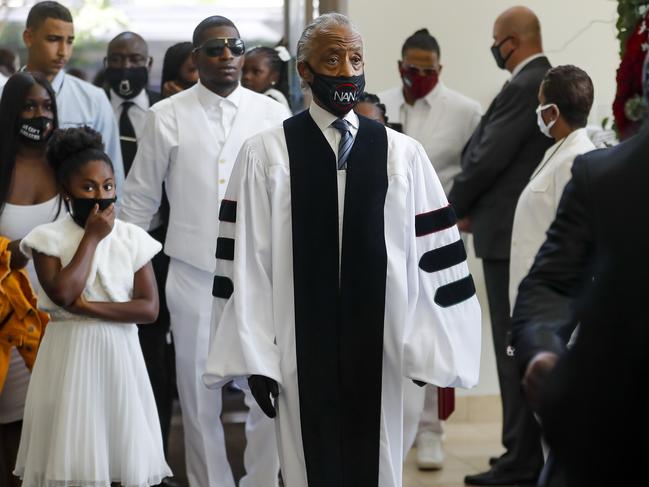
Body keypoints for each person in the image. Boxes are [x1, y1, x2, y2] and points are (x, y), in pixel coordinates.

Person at [203, 13, 481, 487]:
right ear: (305, 72)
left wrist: (427, 345)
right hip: (294, 347)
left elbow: (436, 258)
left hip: (383, 345)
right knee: (304, 464)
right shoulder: (266, 154)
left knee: (379, 462)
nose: (348, 70)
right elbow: (244, 264)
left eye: (356, 58)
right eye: (332, 58)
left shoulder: (402, 155)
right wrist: (255, 358)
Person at [120, 15, 291, 487]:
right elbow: (139, 201)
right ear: (196, 58)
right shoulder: (165, 115)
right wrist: (121, 268)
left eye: (234, 47)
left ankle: (260, 480)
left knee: (265, 386)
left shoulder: (272, 115)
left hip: (260, 275)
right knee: (198, 395)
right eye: (214, 49)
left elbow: (289, 200)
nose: (226, 56)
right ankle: (208, 481)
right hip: (192, 272)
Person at [511, 54, 649, 487]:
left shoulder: (579, 156)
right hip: (614, 420)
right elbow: (553, 279)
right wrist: (544, 348)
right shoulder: (606, 175)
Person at [13, 126, 171, 487]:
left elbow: (148, 309)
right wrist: (92, 238)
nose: (101, 196)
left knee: (119, 449)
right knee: (73, 451)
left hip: (120, 355)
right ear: (67, 191)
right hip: (68, 356)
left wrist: (91, 309)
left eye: (108, 186)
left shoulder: (132, 238)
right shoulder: (46, 238)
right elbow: (64, 293)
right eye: (88, 188)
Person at [448, 6, 552, 486]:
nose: (494, 49)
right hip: (508, 232)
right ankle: (519, 452)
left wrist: (451, 208)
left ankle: (521, 459)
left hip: (511, 237)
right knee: (513, 347)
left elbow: (489, 155)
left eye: (495, 40)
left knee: (511, 349)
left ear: (512, 40)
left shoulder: (529, 83)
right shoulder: (535, 83)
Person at [379, 28, 482, 471]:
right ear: (400, 66)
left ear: (440, 69)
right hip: (384, 234)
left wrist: (464, 216)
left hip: (437, 238)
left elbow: (479, 169)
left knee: (433, 330)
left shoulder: (464, 110)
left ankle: (430, 431)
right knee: (393, 331)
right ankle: (392, 425)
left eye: (427, 70)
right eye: (410, 69)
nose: (417, 76)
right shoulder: (378, 103)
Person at [103, 31, 175, 475]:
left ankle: (155, 460)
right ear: (108, 62)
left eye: (135, 58)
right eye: (118, 58)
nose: (126, 65)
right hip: (100, 247)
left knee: (153, 356)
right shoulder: (94, 107)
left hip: (158, 248)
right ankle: (110, 457)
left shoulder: (164, 113)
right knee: (107, 352)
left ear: (148, 64)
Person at [0, 71, 62, 487]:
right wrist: (13, 250)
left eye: (46, 107)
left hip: (63, 313)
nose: (39, 116)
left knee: (58, 425)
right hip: (10, 320)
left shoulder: (67, 162)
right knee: (12, 424)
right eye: (29, 107)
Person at [15, 1, 125, 198]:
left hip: (77, 219)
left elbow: (112, 170)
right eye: (53, 39)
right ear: (28, 37)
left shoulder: (94, 99)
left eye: (69, 41)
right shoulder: (4, 96)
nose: (63, 51)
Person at [509, 65, 595, 310]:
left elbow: (575, 246)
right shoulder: (559, 151)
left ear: (552, 112)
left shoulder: (575, 159)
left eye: (540, 104)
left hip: (551, 307)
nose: (538, 111)